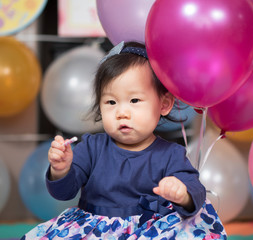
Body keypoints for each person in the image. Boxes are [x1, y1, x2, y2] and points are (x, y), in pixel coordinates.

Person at [21, 41, 227, 239]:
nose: (121, 112)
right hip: (95, 230)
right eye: (111, 102)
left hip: (151, 229)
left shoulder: (171, 154)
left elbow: (196, 190)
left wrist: (183, 194)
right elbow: (64, 193)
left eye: (134, 100)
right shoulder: (92, 148)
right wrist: (61, 170)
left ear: (164, 104)